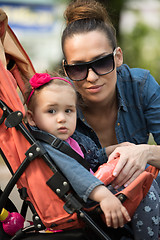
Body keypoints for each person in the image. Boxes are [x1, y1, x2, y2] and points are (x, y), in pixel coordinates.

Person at [61, 0, 160, 238]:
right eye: (78, 69)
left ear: (117, 57)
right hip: (94, 212)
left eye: (102, 62)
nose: (92, 77)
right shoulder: (59, 106)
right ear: (66, 71)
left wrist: (144, 152)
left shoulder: (141, 85)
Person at [24, 72, 131, 232]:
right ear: (32, 118)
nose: (62, 118)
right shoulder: (49, 147)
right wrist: (104, 196)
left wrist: (115, 149)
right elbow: (75, 173)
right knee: (144, 193)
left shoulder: (70, 140)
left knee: (144, 174)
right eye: (51, 111)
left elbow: (91, 157)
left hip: (95, 189)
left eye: (68, 111)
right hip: (87, 199)